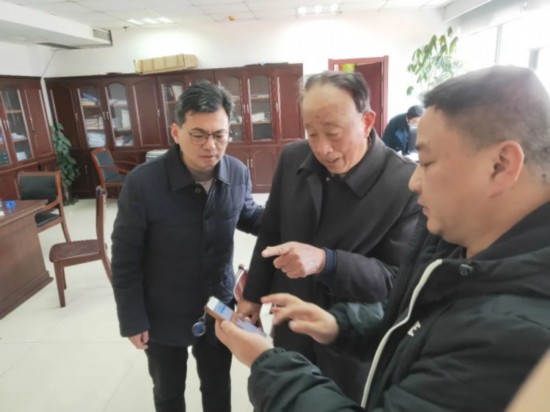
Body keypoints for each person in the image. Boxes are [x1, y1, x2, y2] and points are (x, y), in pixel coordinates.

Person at [216, 65, 550, 411]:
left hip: (345, 363)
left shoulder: (513, 330)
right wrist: (337, 326)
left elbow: (393, 281)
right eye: (311, 133)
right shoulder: (459, 237)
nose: (415, 181)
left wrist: (268, 364)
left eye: (427, 162)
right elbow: (409, 316)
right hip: (305, 325)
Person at [237, 70, 420, 402]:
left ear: (367, 121)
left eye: (334, 133)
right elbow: (271, 232)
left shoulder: (405, 184)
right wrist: (252, 296)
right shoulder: (293, 158)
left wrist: (327, 262)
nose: (322, 148)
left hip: (351, 339)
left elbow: (396, 281)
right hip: (291, 323)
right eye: (312, 132)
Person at [111, 80, 264, 412]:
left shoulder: (237, 172)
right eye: (198, 135)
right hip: (161, 312)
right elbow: (125, 258)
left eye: (220, 135)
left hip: (217, 308)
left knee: (218, 386)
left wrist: (292, 221)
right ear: (176, 132)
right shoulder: (143, 183)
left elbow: (248, 214)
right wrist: (132, 319)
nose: (211, 145)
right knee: (168, 391)